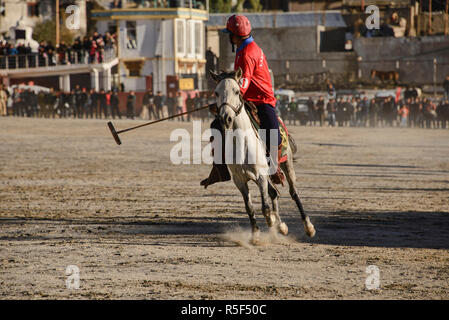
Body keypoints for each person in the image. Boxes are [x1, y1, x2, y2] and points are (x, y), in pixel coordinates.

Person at [201, 14, 283, 188]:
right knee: (217, 126)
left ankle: (275, 168)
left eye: (229, 34)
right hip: (249, 97)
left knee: (272, 131)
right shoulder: (243, 47)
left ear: (234, 36)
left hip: (261, 99)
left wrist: (224, 102)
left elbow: (242, 85)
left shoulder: (247, 53)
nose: (228, 37)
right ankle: (220, 170)